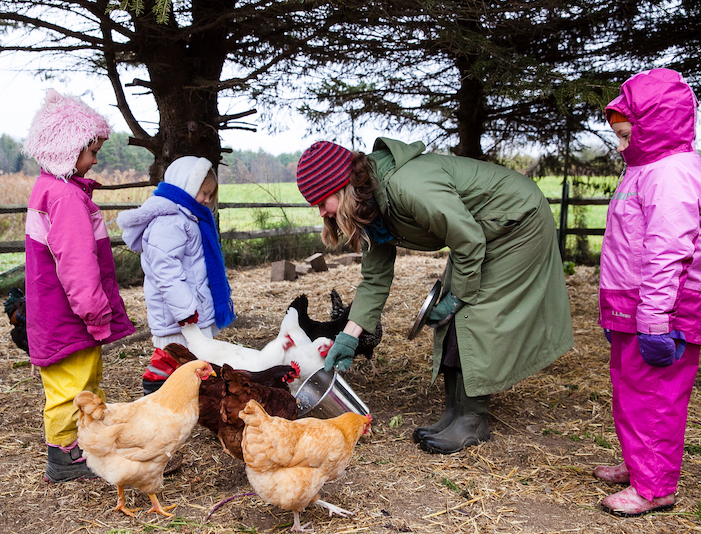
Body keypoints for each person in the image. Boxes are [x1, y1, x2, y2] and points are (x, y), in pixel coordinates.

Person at [295, 139, 574, 454]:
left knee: (474, 311)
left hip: (516, 222)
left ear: (342, 187)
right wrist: (348, 337)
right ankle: (455, 412)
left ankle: (472, 421)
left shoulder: (408, 187)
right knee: (451, 315)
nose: (322, 213)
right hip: (477, 234)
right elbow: (374, 278)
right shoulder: (370, 206)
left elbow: (468, 239)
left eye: (322, 202)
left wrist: (459, 298)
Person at [594, 68, 701, 517]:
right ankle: (641, 467)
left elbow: (667, 251)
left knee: (655, 398)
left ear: (654, 124)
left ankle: (655, 488)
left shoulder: (671, 173)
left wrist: (656, 322)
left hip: (660, 313)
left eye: (624, 135)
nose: (620, 147)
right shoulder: (645, 168)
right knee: (631, 390)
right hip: (634, 308)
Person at [22, 89, 135, 483]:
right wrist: (95, 311)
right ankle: (67, 453)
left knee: (73, 380)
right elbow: (77, 263)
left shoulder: (49, 189)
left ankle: (81, 444)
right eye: (92, 150)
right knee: (75, 383)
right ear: (68, 149)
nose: (96, 158)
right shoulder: (67, 197)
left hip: (53, 308)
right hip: (69, 313)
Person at [117, 156, 235, 395]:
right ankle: (154, 396)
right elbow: (166, 271)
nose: (207, 200)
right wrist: (185, 310)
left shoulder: (189, 217)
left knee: (194, 366)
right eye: (204, 193)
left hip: (192, 312)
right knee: (174, 366)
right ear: (187, 186)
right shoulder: (169, 221)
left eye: (211, 195)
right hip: (179, 318)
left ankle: (187, 408)